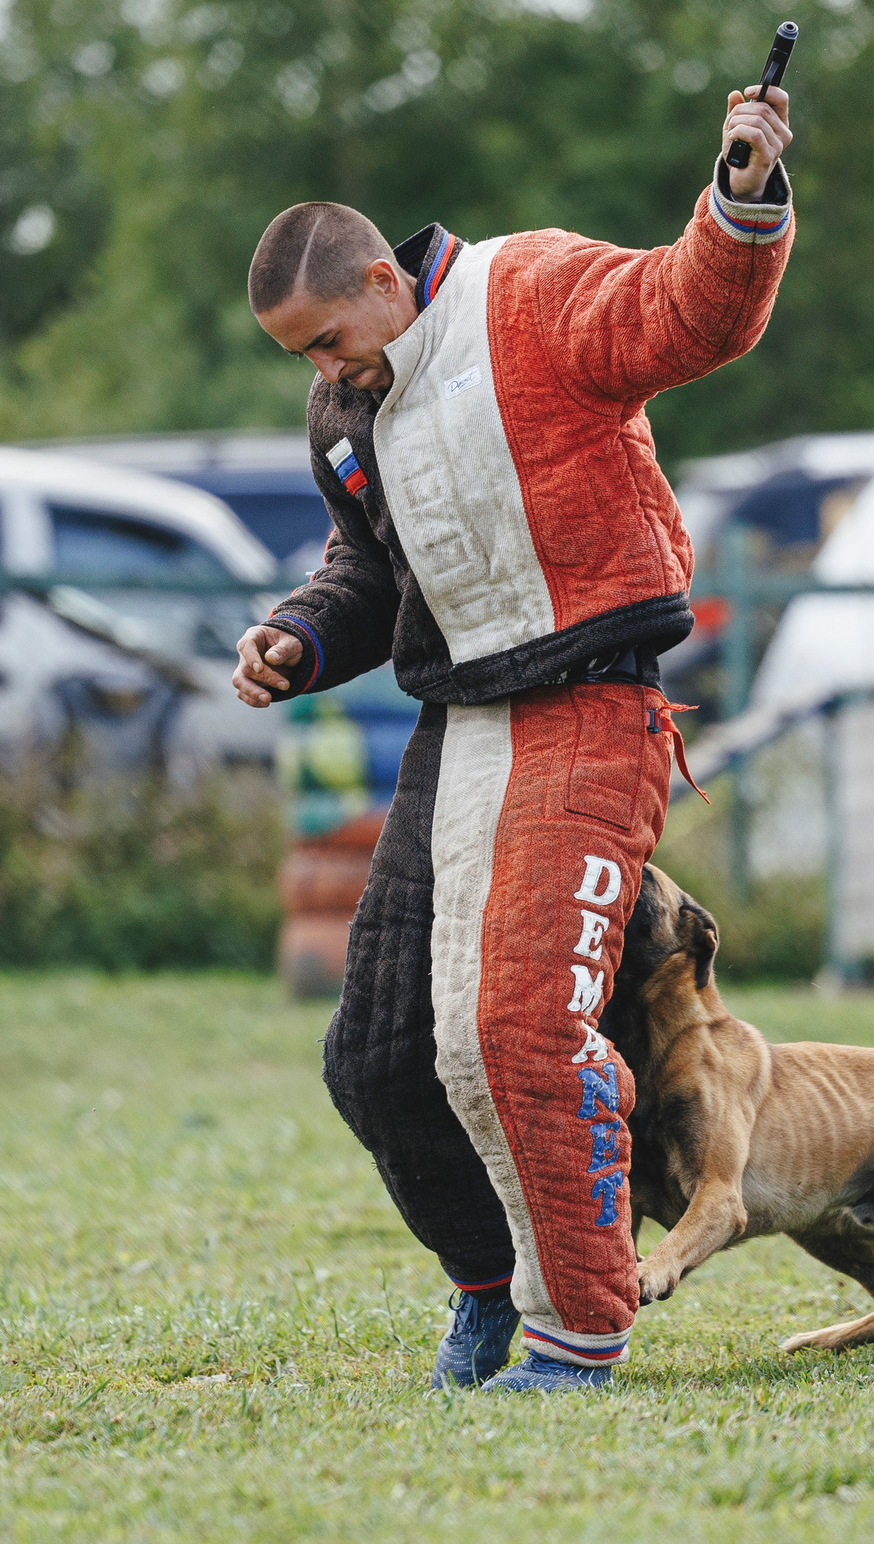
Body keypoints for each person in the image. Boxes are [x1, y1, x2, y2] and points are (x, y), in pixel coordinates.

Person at [228, 79, 797, 1393]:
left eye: (326, 340)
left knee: (513, 1029)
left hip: (593, 699)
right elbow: (368, 571)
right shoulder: (345, 414)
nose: (322, 372)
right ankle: (488, 1285)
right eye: (301, 357)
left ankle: (576, 1330)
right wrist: (300, 637)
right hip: (458, 722)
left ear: (381, 276)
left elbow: (686, 309)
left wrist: (744, 192)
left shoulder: (529, 295)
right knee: (373, 1056)